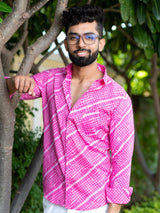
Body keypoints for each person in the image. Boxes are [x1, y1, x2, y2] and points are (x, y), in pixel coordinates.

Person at [6, 4, 134, 213]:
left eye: (89, 37)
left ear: (101, 43)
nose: (80, 43)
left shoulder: (118, 98)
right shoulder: (50, 81)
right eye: (73, 37)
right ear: (66, 43)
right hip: (54, 201)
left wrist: (113, 210)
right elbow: (11, 90)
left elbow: (122, 160)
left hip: (95, 205)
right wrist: (15, 81)